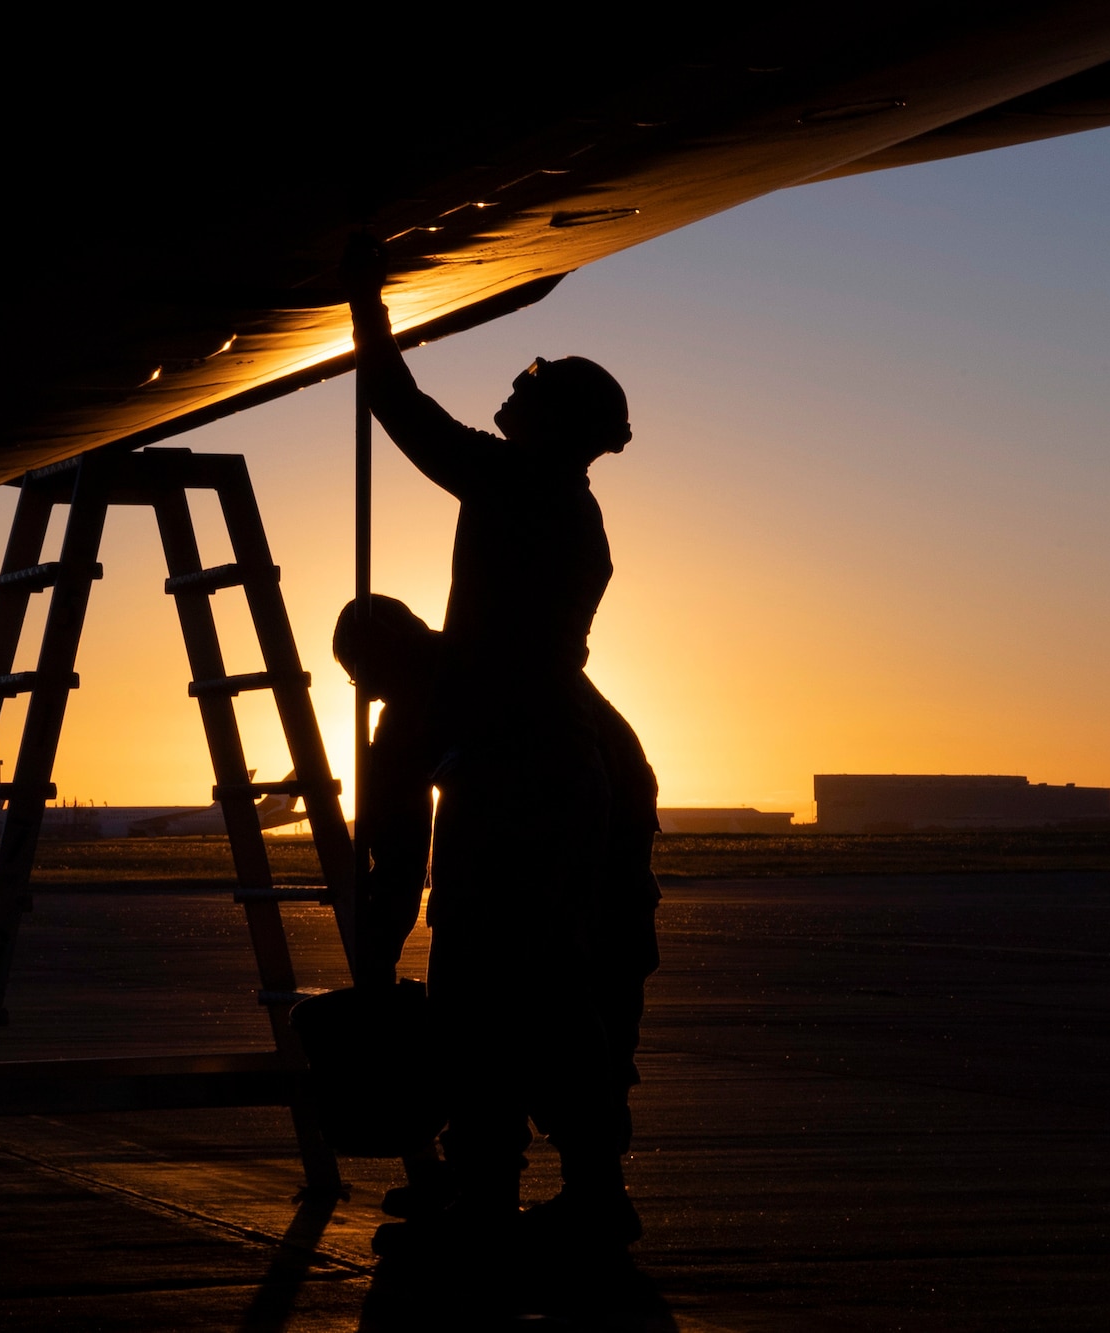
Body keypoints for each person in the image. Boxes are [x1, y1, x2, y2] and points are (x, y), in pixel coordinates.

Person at [341, 233, 650, 1251]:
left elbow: (405, 416)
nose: (510, 396)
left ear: (561, 424)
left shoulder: (521, 488)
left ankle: (495, 1195)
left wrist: (365, 307)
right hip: (540, 766)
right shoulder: (560, 503)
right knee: (530, 982)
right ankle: (561, 1188)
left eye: (531, 386)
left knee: (494, 984)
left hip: (517, 773)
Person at [333, 595, 661, 1254]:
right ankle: (483, 1182)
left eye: (367, 680)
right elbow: (398, 854)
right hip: (551, 817)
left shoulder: (497, 673)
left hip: (595, 818)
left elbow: (594, 785)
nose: (368, 698)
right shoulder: (411, 711)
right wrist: (377, 952)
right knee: (471, 992)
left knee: (557, 997)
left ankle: (581, 1194)